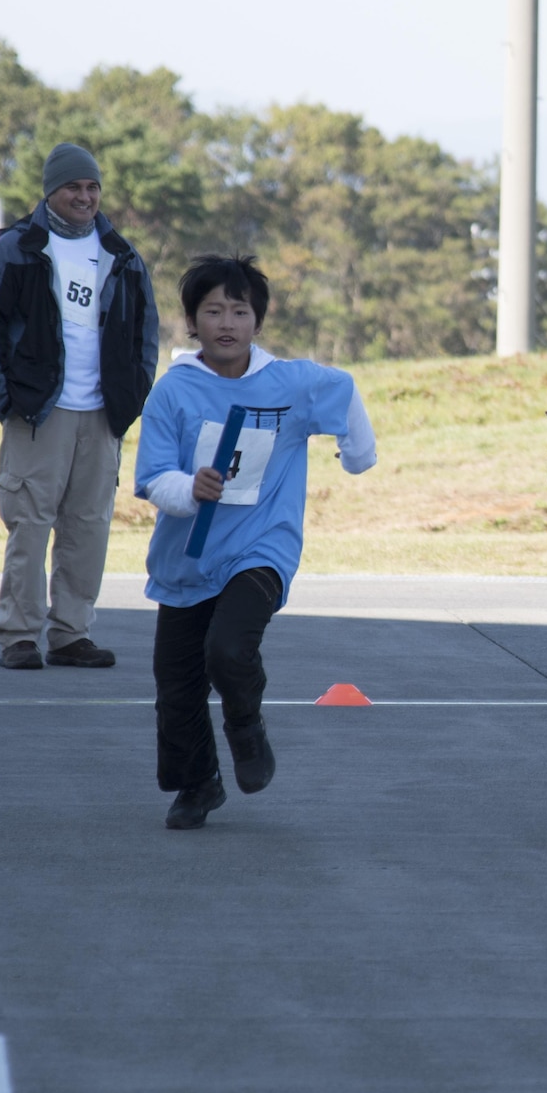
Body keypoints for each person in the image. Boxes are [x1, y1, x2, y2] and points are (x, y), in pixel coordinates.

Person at [135, 255, 376, 829]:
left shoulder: (289, 383)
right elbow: (151, 475)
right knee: (176, 684)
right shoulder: (173, 391)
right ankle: (198, 784)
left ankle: (246, 728)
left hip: (261, 549)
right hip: (187, 558)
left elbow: (344, 391)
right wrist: (189, 488)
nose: (227, 322)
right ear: (192, 321)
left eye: (239, 311)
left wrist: (357, 457)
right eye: (212, 310)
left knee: (229, 649)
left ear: (257, 322)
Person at [0, 142, 161, 672]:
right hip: (36, 411)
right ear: (51, 191)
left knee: (89, 526)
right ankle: (19, 635)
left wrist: (132, 395)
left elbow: (146, 331)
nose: (84, 196)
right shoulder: (18, 249)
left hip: (101, 416)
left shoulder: (121, 254)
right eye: (74, 187)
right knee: (29, 523)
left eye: (92, 187)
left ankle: (72, 634)